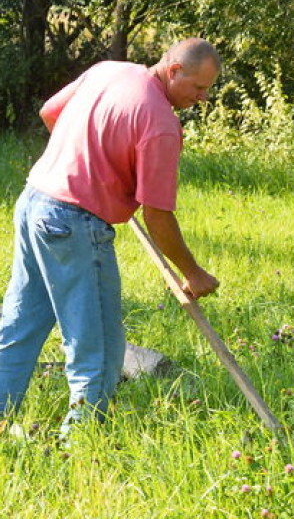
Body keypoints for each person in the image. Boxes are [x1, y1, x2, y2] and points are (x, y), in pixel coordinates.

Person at [0, 37, 221, 434]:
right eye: (198, 87)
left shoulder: (109, 70)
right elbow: (157, 215)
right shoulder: (160, 124)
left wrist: (91, 160)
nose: (202, 98)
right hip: (74, 225)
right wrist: (193, 272)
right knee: (99, 349)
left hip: (34, 202)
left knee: (19, 328)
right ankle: (76, 445)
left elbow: (50, 113)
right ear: (174, 71)